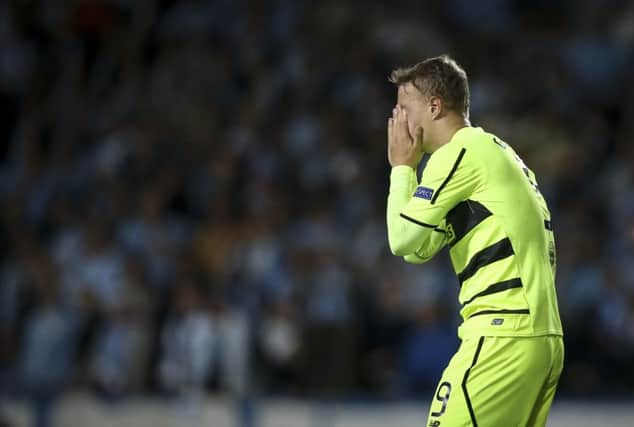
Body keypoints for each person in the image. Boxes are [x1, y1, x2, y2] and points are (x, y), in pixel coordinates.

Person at [385, 55, 564, 427]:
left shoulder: (460, 152)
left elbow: (400, 239)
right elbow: (418, 250)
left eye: (404, 110)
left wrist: (402, 168)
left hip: (502, 337)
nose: (398, 122)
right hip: (540, 340)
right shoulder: (498, 153)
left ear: (434, 106)